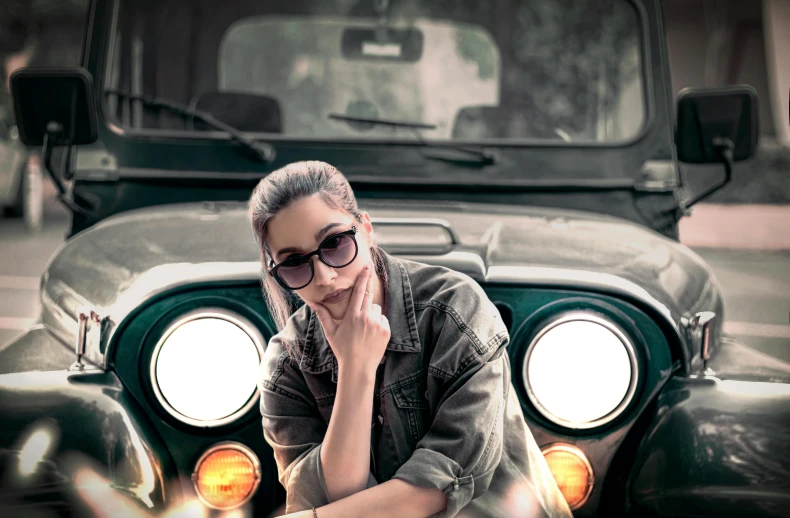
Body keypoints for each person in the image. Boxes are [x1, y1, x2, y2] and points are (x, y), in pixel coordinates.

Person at [250, 161, 573, 518]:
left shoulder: (454, 311)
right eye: (295, 262)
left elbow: (438, 487)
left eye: (335, 243)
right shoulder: (286, 364)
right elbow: (333, 496)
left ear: (367, 230)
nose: (324, 276)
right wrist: (357, 367)